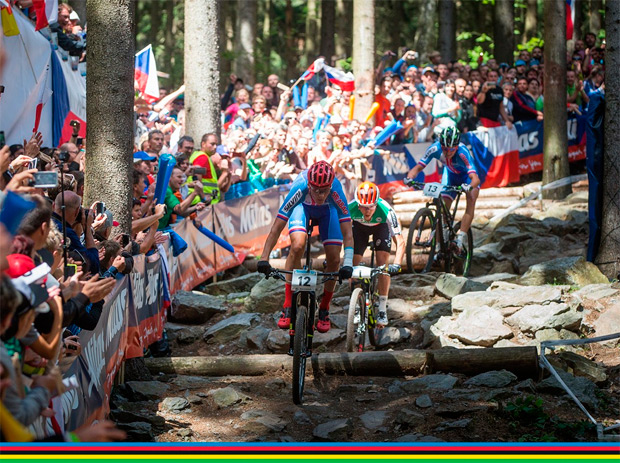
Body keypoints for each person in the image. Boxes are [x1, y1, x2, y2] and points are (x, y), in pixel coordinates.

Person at [256, 161, 354, 333]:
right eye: (316, 189)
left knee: (334, 258)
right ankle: (287, 305)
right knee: (298, 245)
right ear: (309, 184)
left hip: (328, 211)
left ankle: (324, 308)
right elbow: (277, 227)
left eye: (324, 190)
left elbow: (348, 233)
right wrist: (264, 258)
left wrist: (348, 263)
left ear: (330, 186)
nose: (320, 194)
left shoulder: (336, 191)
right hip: (302, 207)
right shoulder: (300, 187)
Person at [406, 126, 480, 255]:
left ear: (456, 146)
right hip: (450, 176)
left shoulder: (463, 152)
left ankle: (461, 238)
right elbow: (418, 167)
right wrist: (409, 178)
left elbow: (475, 179)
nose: (448, 152)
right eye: (445, 149)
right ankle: (440, 245)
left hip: (467, 178)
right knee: (442, 210)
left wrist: (469, 186)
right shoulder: (434, 148)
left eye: (452, 149)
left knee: (471, 198)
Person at [348, 182, 405, 327]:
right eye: (363, 207)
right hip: (359, 228)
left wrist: (397, 264)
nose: (367, 212)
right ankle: (355, 305)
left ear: (376, 203)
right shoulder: (350, 208)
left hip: (381, 228)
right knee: (351, 264)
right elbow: (337, 233)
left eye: (371, 207)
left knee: (382, 263)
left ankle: (382, 309)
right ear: (357, 204)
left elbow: (400, 241)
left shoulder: (386, 210)